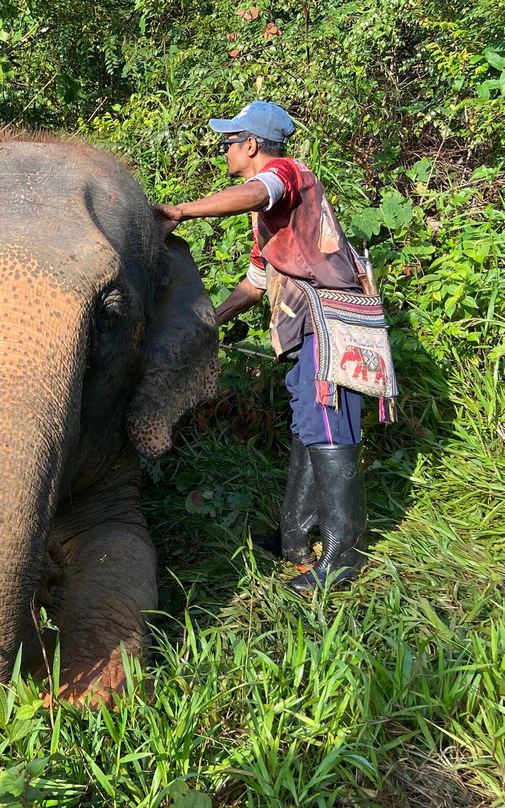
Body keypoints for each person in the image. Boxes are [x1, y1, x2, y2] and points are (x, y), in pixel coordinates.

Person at [155, 101, 373, 593]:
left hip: (328, 322)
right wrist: (207, 323)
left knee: (329, 427)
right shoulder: (271, 220)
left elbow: (258, 191)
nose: (223, 151)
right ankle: (294, 539)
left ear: (250, 144)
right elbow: (254, 285)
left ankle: (345, 557)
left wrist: (183, 212)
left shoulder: (285, 174)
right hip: (303, 331)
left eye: (227, 143)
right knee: (308, 427)